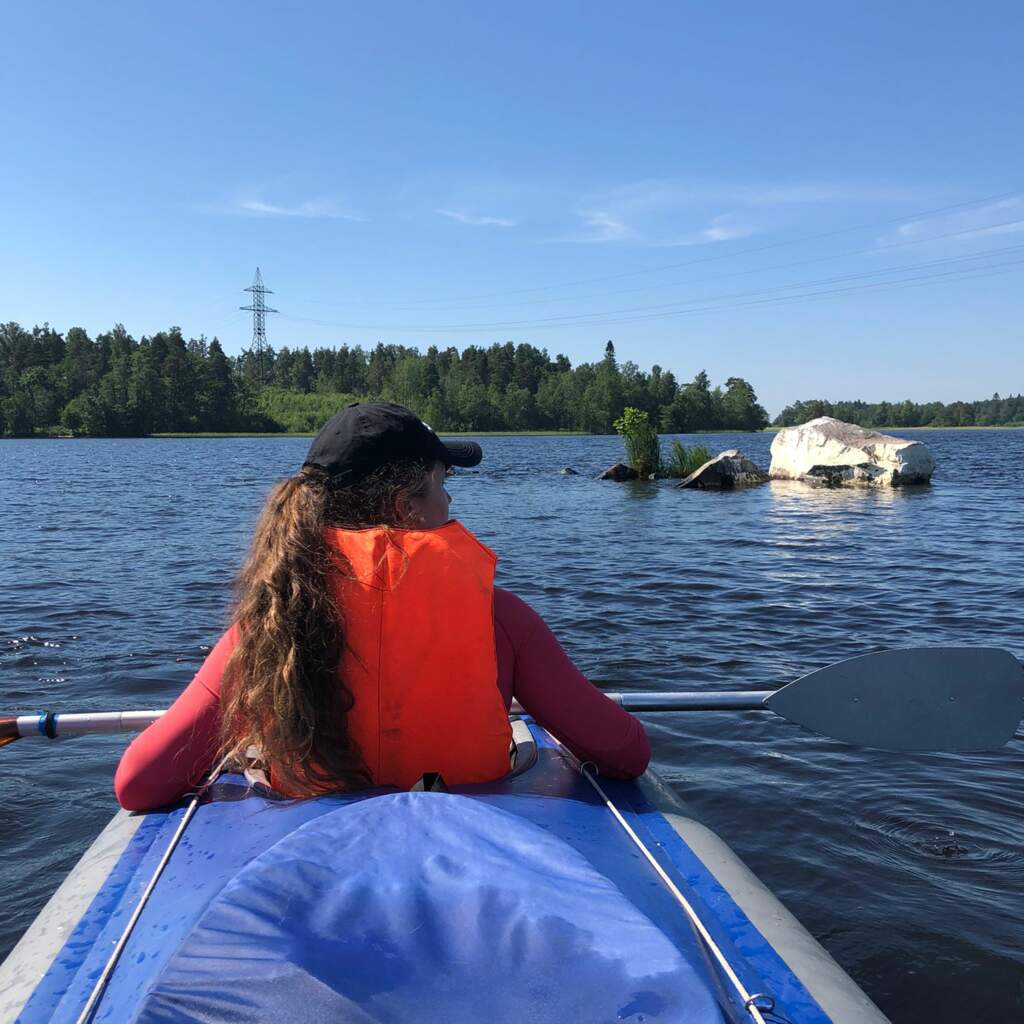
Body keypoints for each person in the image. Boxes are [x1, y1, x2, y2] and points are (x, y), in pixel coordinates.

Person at [114, 402, 650, 810]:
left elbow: (138, 784)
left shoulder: (269, 624)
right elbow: (626, 754)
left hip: (314, 862)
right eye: (442, 484)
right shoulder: (501, 620)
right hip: (465, 856)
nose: (450, 501)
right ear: (406, 506)